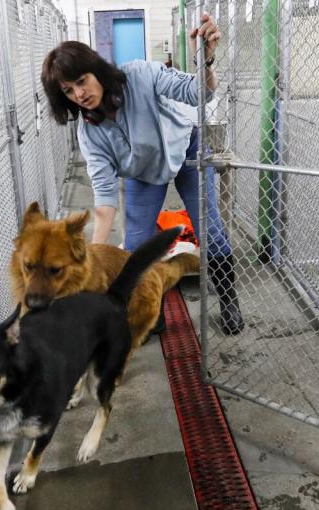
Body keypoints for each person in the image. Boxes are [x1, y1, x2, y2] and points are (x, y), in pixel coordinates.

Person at [39, 14, 243, 335]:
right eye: (68, 90)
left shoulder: (140, 75)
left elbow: (198, 94)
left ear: (96, 69)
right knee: (135, 245)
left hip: (186, 148)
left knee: (210, 228)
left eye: (82, 81)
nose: (79, 94)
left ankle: (229, 300)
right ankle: (151, 312)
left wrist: (205, 60)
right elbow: (105, 199)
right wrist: (93, 255)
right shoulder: (89, 133)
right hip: (144, 173)